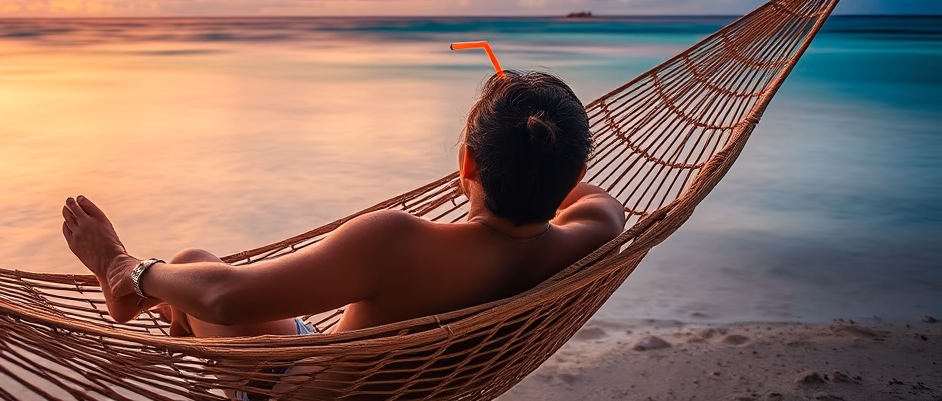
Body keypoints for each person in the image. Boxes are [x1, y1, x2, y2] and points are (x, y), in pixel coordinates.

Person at [61, 70, 624, 346]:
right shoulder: (595, 233)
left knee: (190, 267)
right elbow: (601, 201)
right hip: (416, 383)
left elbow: (228, 300)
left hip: (305, 387)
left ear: (466, 164)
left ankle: (130, 285)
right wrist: (539, 168)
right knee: (186, 288)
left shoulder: (395, 243)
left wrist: (126, 265)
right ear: (573, 173)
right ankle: (172, 313)